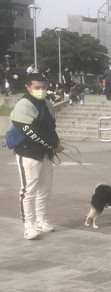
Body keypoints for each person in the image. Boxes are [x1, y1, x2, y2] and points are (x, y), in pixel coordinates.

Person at [11, 73, 65, 239]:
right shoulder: (23, 106)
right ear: (28, 87)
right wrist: (53, 145)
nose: (41, 90)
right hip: (28, 153)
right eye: (37, 88)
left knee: (45, 189)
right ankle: (28, 225)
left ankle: (40, 220)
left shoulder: (48, 104)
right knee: (28, 191)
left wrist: (55, 143)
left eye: (43, 87)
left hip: (46, 154)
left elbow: (51, 128)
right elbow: (31, 132)